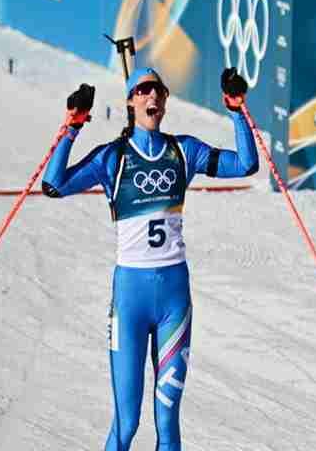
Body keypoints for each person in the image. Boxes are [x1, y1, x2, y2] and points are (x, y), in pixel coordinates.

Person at [41, 66, 259, 451]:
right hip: (131, 299)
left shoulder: (183, 151)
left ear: (165, 99)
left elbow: (245, 165)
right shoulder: (113, 157)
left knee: (167, 419)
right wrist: (72, 126)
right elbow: (54, 185)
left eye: (157, 89)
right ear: (131, 100)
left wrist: (236, 110)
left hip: (175, 301)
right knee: (127, 422)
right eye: (142, 90)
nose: (151, 96)